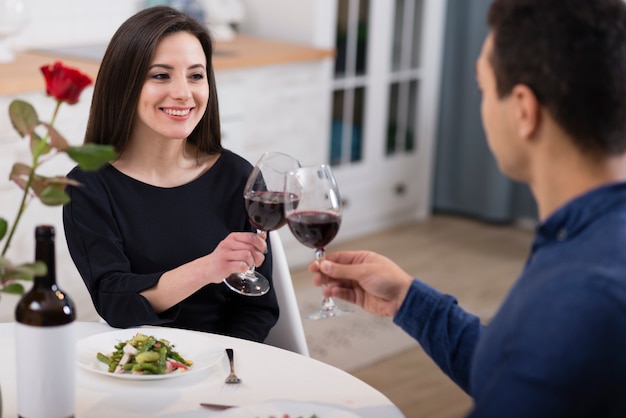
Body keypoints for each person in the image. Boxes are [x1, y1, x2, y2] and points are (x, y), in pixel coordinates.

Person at [310, 0, 626, 416]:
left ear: (523, 111)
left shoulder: (578, 295)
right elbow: (521, 370)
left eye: (482, 89)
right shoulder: (586, 245)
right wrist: (408, 300)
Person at [63, 6, 279, 343]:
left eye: (196, 75)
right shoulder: (88, 187)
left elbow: (257, 309)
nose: (183, 93)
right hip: (137, 364)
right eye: (161, 75)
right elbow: (114, 302)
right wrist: (208, 268)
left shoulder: (239, 178)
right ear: (125, 85)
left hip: (225, 362)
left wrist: (226, 368)